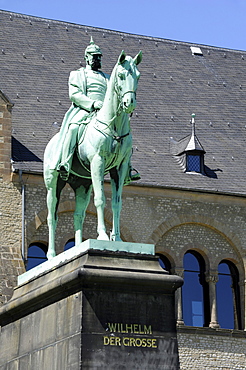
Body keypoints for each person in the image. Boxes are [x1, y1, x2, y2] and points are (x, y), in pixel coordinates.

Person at [56, 37, 140, 183]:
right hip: (85, 109)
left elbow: (115, 95)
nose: (97, 59)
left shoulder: (108, 78)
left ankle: (127, 170)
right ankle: (65, 163)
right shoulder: (77, 74)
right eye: (95, 57)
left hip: (105, 113)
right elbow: (75, 95)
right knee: (73, 128)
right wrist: (93, 103)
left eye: (99, 57)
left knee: (126, 134)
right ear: (87, 58)